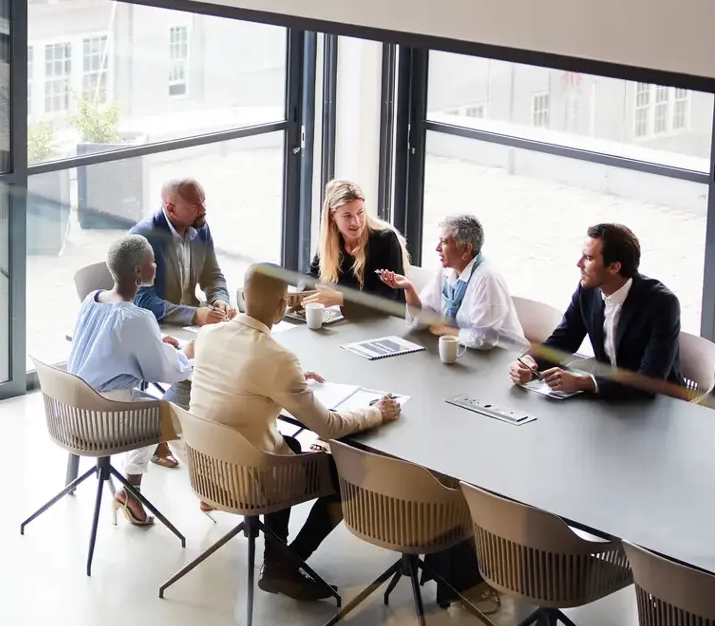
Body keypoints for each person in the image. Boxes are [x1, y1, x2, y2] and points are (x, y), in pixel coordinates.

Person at [188, 265, 400, 600]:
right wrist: (376, 412)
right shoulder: (276, 358)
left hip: (205, 470)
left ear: (243, 297)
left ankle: (277, 560)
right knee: (348, 471)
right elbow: (328, 426)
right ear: (283, 306)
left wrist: (293, 384)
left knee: (284, 442)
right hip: (248, 479)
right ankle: (287, 562)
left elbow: (240, 387)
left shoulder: (208, 335)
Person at [66, 235, 194, 525]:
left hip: (72, 410)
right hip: (103, 417)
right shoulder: (138, 317)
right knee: (165, 413)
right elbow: (164, 372)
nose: (157, 265)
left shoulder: (93, 299)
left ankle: (131, 491)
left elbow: (111, 338)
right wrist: (185, 355)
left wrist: (156, 340)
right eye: (152, 261)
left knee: (152, 406)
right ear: (138, 272)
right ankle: (135, 491)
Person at [508, 223, 684, 399]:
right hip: (609, 394)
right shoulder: (588, 290)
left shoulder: (662, 303)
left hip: (659, 402)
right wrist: (529, 361)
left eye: (588, 258)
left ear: (614, 267)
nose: (579, 264)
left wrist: (581, 382)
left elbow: (649, 381)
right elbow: (563, 340)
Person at [376, 213, 525, 349]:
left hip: (505, 358)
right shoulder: (446, 270)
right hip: (466, 350)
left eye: (444, 242)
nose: (437, 248)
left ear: (466, 249)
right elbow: (426, 316)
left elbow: (484, 338)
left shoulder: (487, 279)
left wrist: (445, 330)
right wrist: (408, 289)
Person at [129, 178, 233, 326]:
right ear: (171, 209)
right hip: (158, 327)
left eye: (203, 201)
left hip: (193, 324)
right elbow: (143, 301)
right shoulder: (142, 238)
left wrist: (219, 299)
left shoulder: (201, 228)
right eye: (195, 205)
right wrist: (194, 315)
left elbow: (212, 275)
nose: (203, 209)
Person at [301, 179, 408, 311]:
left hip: (386, 322)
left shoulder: (385, 239)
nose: (356, 222)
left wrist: (340, 299)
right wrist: (300, 294)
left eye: (360, 212)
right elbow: (313, 274)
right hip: (351, 320)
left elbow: (388, 298)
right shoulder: (332, 241)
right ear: (332, 216)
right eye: (347, 216)